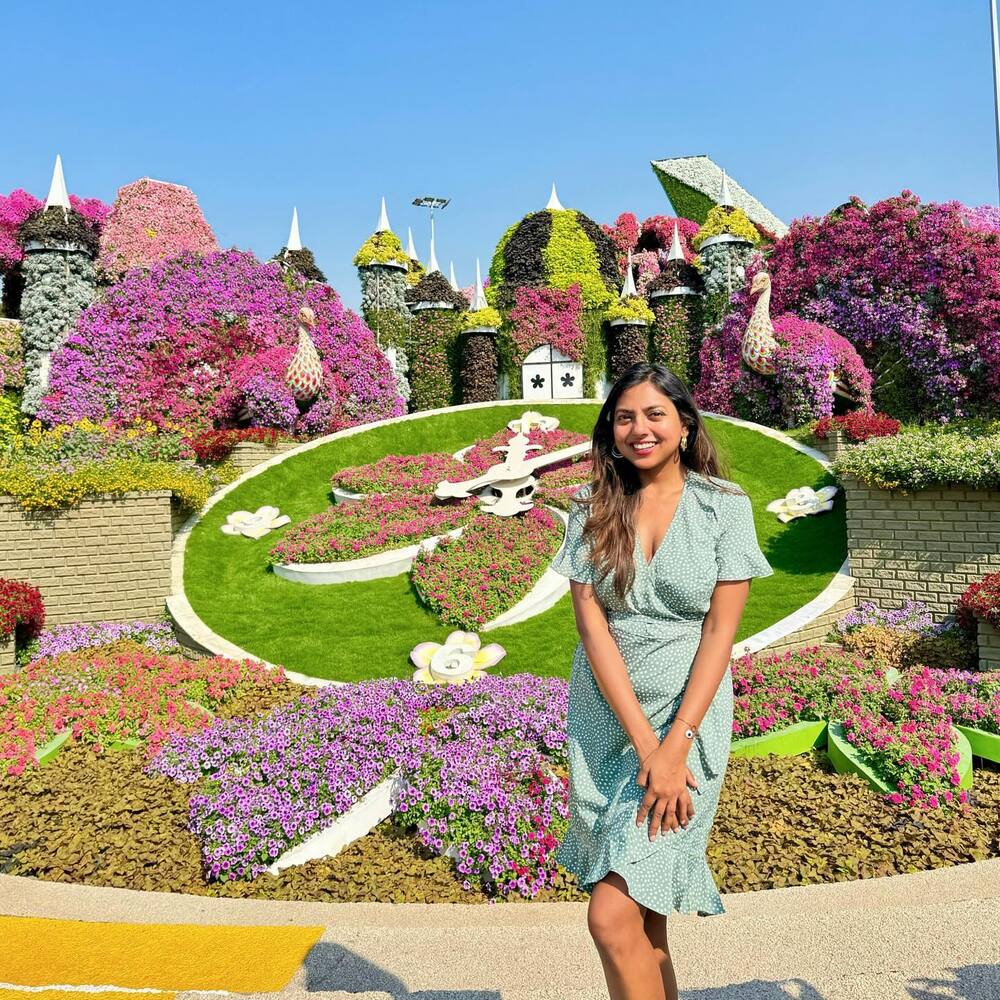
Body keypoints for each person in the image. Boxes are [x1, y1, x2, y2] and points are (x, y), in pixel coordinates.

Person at [549, 362, 774, 1000]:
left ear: (683, 424)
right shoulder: (589, 508)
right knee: (644, 920)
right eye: (624, 417)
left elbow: (718, 636)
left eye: (654, 415)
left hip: (690, 716)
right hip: (606, 721)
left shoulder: (723, 508)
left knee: (610, 914)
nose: (639, 429)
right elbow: (593, 630)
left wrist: (674, 744)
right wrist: (646, 743)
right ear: (610, 429)